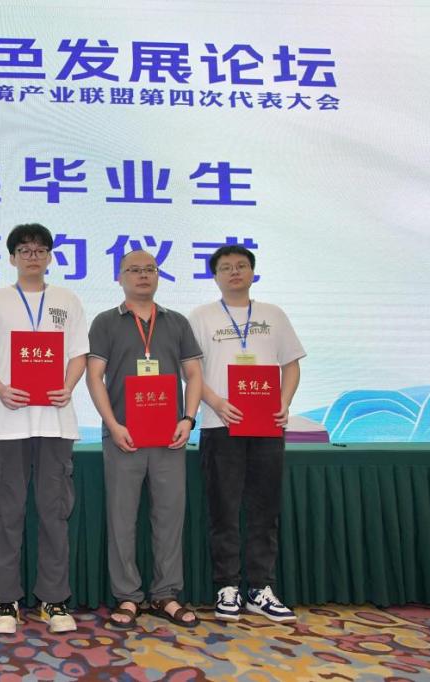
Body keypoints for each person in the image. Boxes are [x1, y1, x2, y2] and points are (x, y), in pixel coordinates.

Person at [0, 223, 89, 635]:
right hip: (8, 424)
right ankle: (5, 600)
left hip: (56, 422)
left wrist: (68, 386)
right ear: (12, 257)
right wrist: (1, 389)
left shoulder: (67, 300)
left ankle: (54, 600)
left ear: (50, 256)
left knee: (54, 513)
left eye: (40, 249)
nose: (32, 256)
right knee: (7, 514)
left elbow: (79, 354)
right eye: (24, 250)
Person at [86, 249, 203, 629]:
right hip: (125, 437)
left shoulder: (177, 322)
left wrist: (188, 418)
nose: (143, 275)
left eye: (150, 269)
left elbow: (194, 374)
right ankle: (127, 596)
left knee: (169, 518)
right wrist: (112, 424)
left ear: (158, 275)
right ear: (120, 277)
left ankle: (166, 594)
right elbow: (94, 377)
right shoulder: (106, 322)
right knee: (122, 520)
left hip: (169, 437)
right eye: (134, 270)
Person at [188, 245, 305, 623]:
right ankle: (227, 586)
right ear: (215, 276)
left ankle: (260, 589)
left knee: (264, 510)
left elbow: (291, 366)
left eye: (241, 266)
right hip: (219, 425)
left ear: (253, 272)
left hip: (267, 426)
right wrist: (217, 403)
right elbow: (191, 373)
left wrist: (283, 403)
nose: (234, 272)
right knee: (223, 510)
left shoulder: (273, 314)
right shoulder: (201, 317)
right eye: (226, 267)